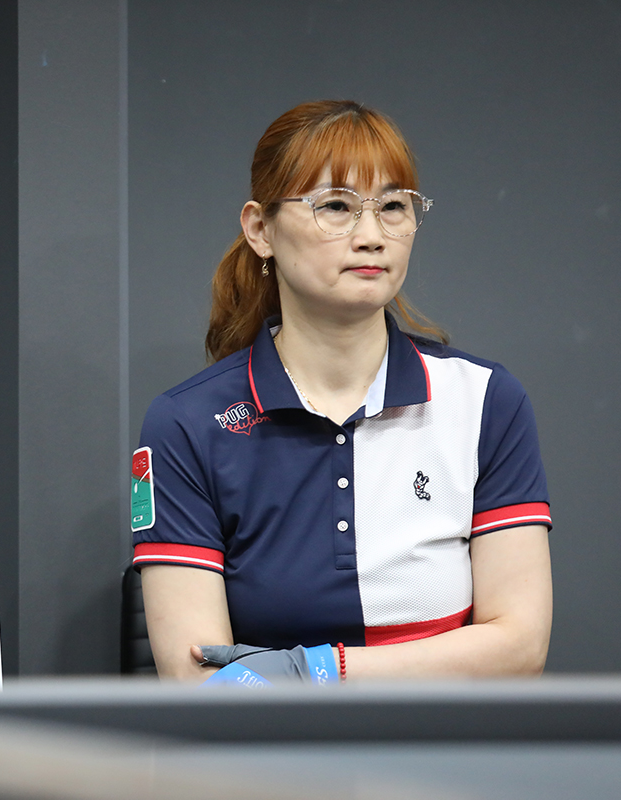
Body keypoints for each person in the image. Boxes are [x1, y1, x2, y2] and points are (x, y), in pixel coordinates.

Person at [130, 100, 552, 683]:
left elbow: (521, 648)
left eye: (394, 207)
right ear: (260, 230)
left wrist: (319, 670)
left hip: (444, 738)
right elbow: (199, 677)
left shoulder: (485, 400)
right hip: (269, 745)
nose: (372, 237)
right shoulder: (186, 422)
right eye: (336, 206)